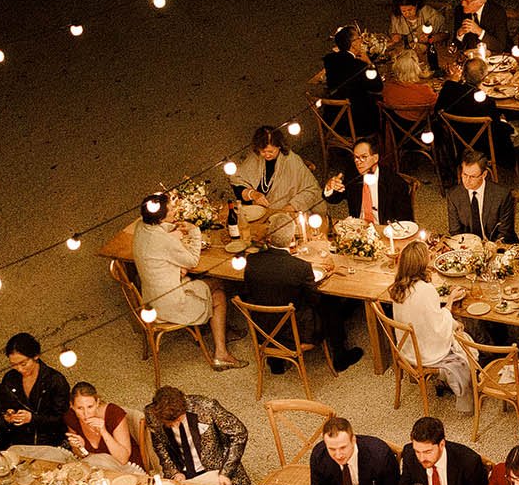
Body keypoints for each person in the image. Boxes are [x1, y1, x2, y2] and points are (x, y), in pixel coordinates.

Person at [130, 191, 241, 369]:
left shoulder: (141, 227)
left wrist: (172, 232)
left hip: (151, 299)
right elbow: (192, 261)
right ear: (161, 217)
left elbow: (157, 242)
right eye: (171, 209)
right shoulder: (163, 241)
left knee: (210, 282)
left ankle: (222, 328)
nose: (175, 211)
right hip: (170, 305)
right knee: (219, 293)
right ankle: (221, 352)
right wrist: (194, 231)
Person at [242, 230, 361, 372]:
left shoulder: (252, 261)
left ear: (269, 239)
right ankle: (340, 356)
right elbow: (315, 300)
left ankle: (276, 362)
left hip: (263, 330)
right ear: (292, 238)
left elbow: (247, 292)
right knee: (330, 302)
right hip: (294, 333)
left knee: (270, 297)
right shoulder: (300, 267)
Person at [385, 240, 474, 411]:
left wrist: (448, 305)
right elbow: (438, 326)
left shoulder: (398, 287)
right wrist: (451, 306)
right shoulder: (425, 290)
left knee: (455, 326)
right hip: (425, 353)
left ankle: (446, 382)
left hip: (405, 349)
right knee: (465, 336)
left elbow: (428, 319)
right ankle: (466, 385)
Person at [143, 386, 250, 485]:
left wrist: (226, 471)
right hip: (183, 473)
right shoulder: (152, 415)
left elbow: (239, 434)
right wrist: (174, 472)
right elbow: (160, 446)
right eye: (170, 424)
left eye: (178, 421)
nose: (175, 426)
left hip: (217, 469)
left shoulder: (206, 407)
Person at [232, 124, 324, 243]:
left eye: (271, 151)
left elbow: (312, 190)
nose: (267, 155)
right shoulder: (255, 158)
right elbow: (237, 182)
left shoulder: (292, 161)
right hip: (259, 214)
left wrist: (290, 207)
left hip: (285, 215)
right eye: (263, 151)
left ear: (279, 147)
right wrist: (252, 194)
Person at [399, 415, 490, 485]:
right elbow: (404, 483)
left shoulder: (469, 462)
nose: (421, 458)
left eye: (427, 452)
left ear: (441, 445)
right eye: (418, 451)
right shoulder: (409, 454)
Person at [0, 333, 70, 449]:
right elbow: (3, 409)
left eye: (23, 364)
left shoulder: (54, 380)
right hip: (17, 443)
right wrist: (8, 417)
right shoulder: (9, 378)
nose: (19, 369)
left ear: (35, 356)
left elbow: (61, 419)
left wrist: (32, 419)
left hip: (49, 444)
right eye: (14, 365)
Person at [310, 414, 400, 485]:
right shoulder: (319, 456)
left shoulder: (380, 455)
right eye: (332, 449)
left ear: (353, 440)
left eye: (343, 447)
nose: (338, 455)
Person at [323, 138, 414, 225]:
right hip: (358, 228)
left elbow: (405, 221)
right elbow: (336, 199)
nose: (358, 162)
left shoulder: (396, 183)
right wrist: (330, 188)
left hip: (383, 230)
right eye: (356, 157)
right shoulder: (352, 174)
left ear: (375, 158)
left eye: (364, 157)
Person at [322, 24, 381, 136]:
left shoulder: (329, 60)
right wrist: (369, 63)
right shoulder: (359, 66)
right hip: (356, 124)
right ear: (353, 44)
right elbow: (378, 87)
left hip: (333, 121)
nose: (361, 41)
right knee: (382, 108)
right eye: (359, 38)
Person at [445, 151, 516, 243]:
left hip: (497, 246)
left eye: (472, 177)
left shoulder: (502, 195)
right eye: (464, 175)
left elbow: (505, 232)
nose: (467, 181)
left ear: (484, 174)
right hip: (468, 246)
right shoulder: (453, 196)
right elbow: (455, 231)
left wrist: (490, 248)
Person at [63, 382, 134, 465]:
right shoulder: (71, 417)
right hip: (97, 466)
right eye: (80, 408)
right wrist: (80, 448)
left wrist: (104, 431)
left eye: (90, 407)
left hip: (125, 467)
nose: (86, 414)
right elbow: (83, 455)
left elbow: (123, 459)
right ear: (72, 406)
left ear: (97, 403)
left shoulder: (114, 414)